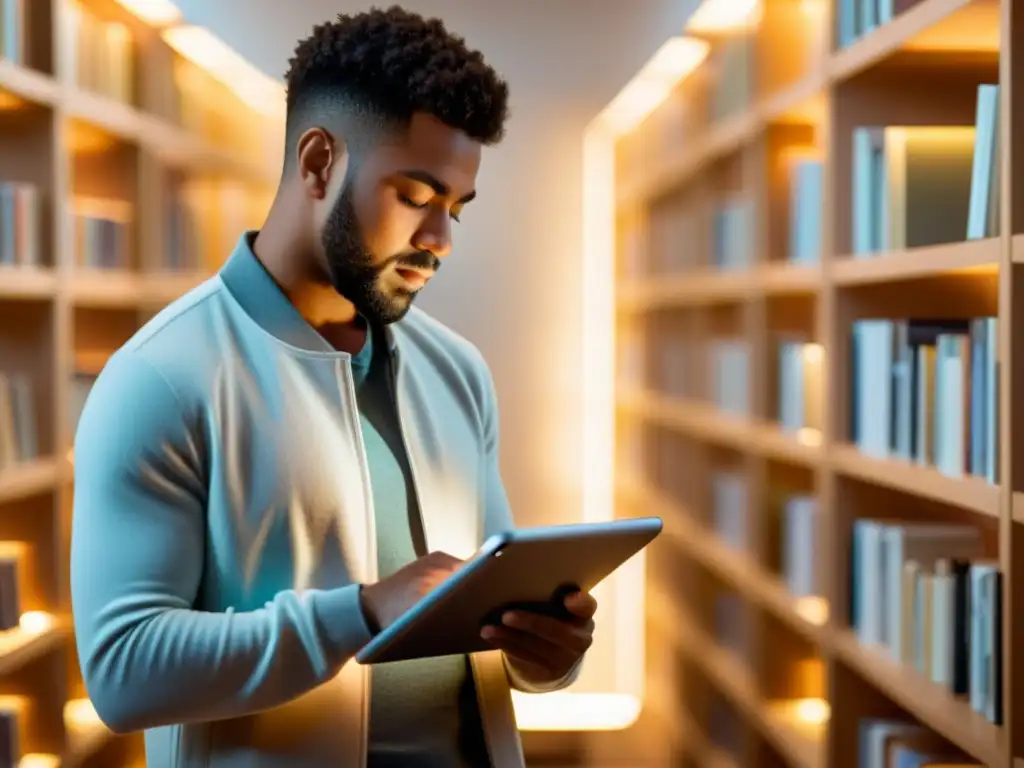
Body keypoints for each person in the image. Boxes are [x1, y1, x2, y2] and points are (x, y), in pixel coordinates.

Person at [69, 6, 597, 768]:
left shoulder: (459, 371)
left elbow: (487, 621)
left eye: (455, 208)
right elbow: (123, 673)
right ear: (317, 161)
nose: (440, 240)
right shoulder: (160, 377)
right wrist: (360, 613)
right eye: (416, 196)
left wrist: (545, 655)